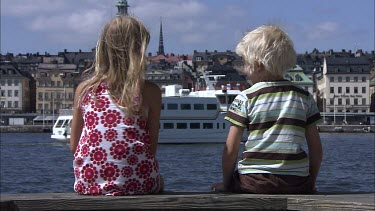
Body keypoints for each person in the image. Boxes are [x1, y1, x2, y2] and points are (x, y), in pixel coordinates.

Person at [212, 25, 323, 194]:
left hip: (254, 181)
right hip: (296, 182)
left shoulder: (246, 97)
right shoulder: (304, 97)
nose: (243, 69)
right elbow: (316, 149)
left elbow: (231, 149)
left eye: (245, 63)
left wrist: (227, 184)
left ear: (257, 65)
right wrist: (310, 182)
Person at [70, 16, 163, 196]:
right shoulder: (149, 91)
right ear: (139, 51)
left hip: (88, 182)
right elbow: (150, 148)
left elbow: (74, 146)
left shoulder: (85, 89)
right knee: (160, 181)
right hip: (137, 182)